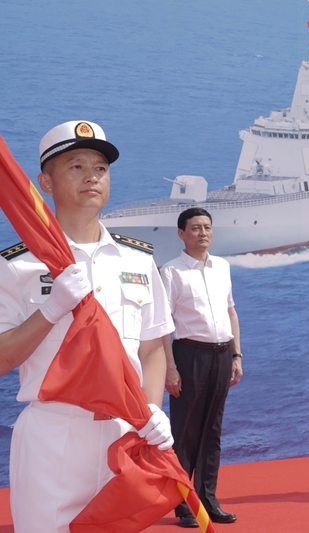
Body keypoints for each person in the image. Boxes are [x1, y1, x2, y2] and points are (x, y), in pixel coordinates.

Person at [0, 120, 175, 532]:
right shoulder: (17, 265)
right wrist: (51, 310)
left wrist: (153, 408)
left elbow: (152, 349)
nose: (91, 176)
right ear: (45, 182)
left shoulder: (138, 261)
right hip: (54, 437)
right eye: (75, 166)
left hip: (125, 435)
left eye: (100, 167)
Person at [160, 207, 244, 527]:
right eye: (195, 228)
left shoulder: (222, 266)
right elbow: (163, 324)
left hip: (222, 354)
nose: (203, 233)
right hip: (189, 355)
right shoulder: (172, 271)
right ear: (181, 234)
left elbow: (230, 312)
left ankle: (208, 499)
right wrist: (170, 368)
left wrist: (237, 355)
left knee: (212, 429)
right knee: (185, 432)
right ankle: (183, 504)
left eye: (207, 227)